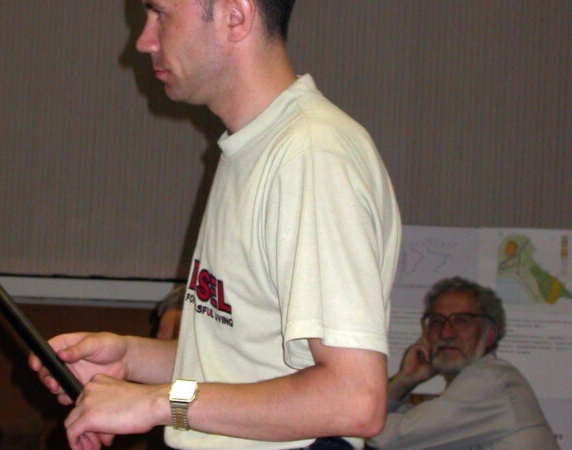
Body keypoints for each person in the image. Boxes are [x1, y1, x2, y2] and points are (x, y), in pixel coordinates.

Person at [29, 1, 401, 448]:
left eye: (161, 14)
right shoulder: (256, 146)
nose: (143, 41)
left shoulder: (311, 156)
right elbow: (240, 366)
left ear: (235, 16)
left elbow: (354, 399)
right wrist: (129, 358)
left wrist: (156, 402)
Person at [366, 277, 558, 450]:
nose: (446, 333)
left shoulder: (489, 380)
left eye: (461, 321)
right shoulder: (472, 390)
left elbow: (385, 436)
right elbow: (401, 425)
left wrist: (400, 383)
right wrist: (405, 380)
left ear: (490, 334)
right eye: (437, 321)